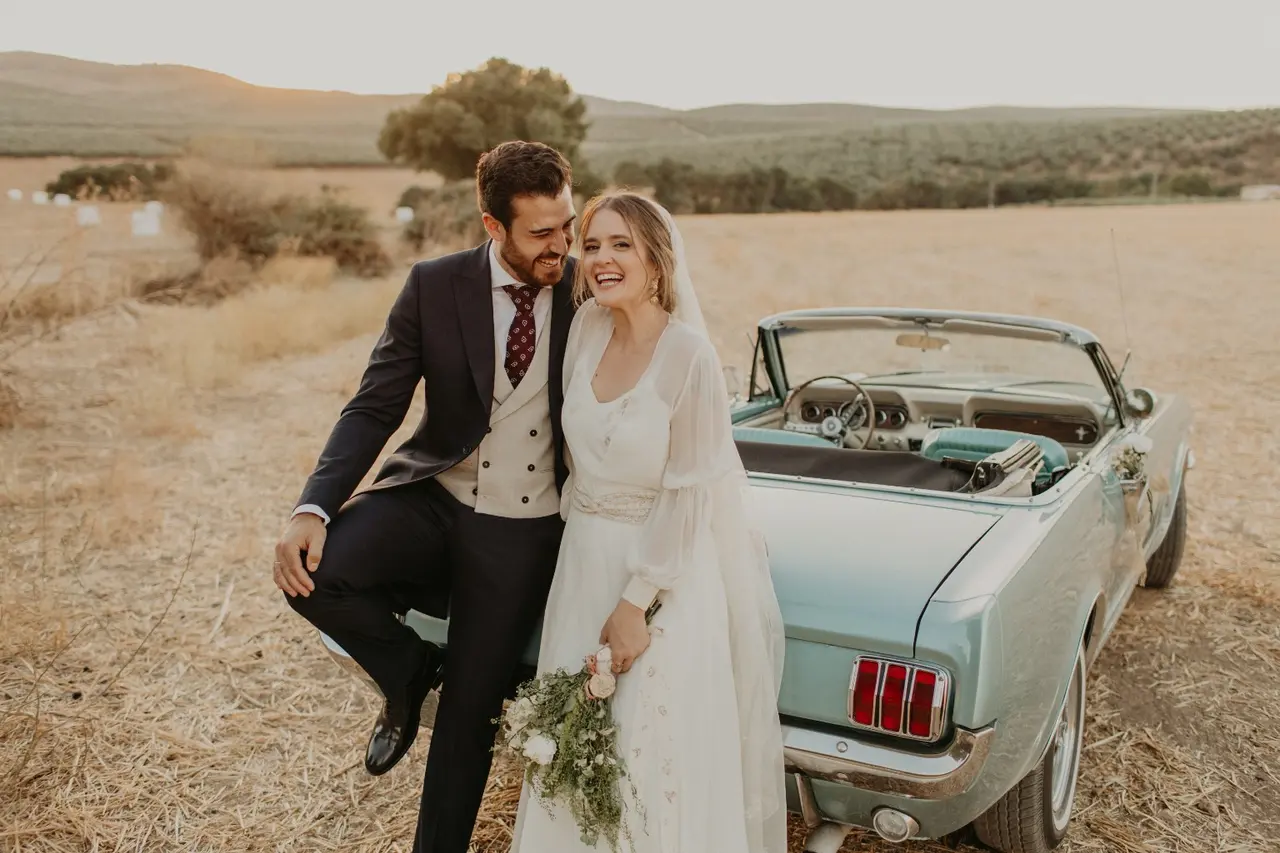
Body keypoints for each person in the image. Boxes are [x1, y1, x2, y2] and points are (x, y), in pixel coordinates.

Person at [271, 140, 581, 853]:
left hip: (526, 523)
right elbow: (375, 405)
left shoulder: (586, 288)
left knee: (469, 717)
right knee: (313, 573)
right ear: (493, 225)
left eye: (567, 223)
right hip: (435, 495)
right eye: (542, 231)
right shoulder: (434, 284)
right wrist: (311, 507)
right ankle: (408, 672)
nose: (561, 244)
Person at [510, 192, 788, 853]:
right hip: (583, 561)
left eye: (621, 245)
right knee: (576, 744)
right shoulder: (586, 329)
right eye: (593, 245)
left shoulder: (689, 356)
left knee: (647, 754)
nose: (601, 259)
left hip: (661, 579)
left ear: (658, 261)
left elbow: (689, 493)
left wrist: (636, 602)